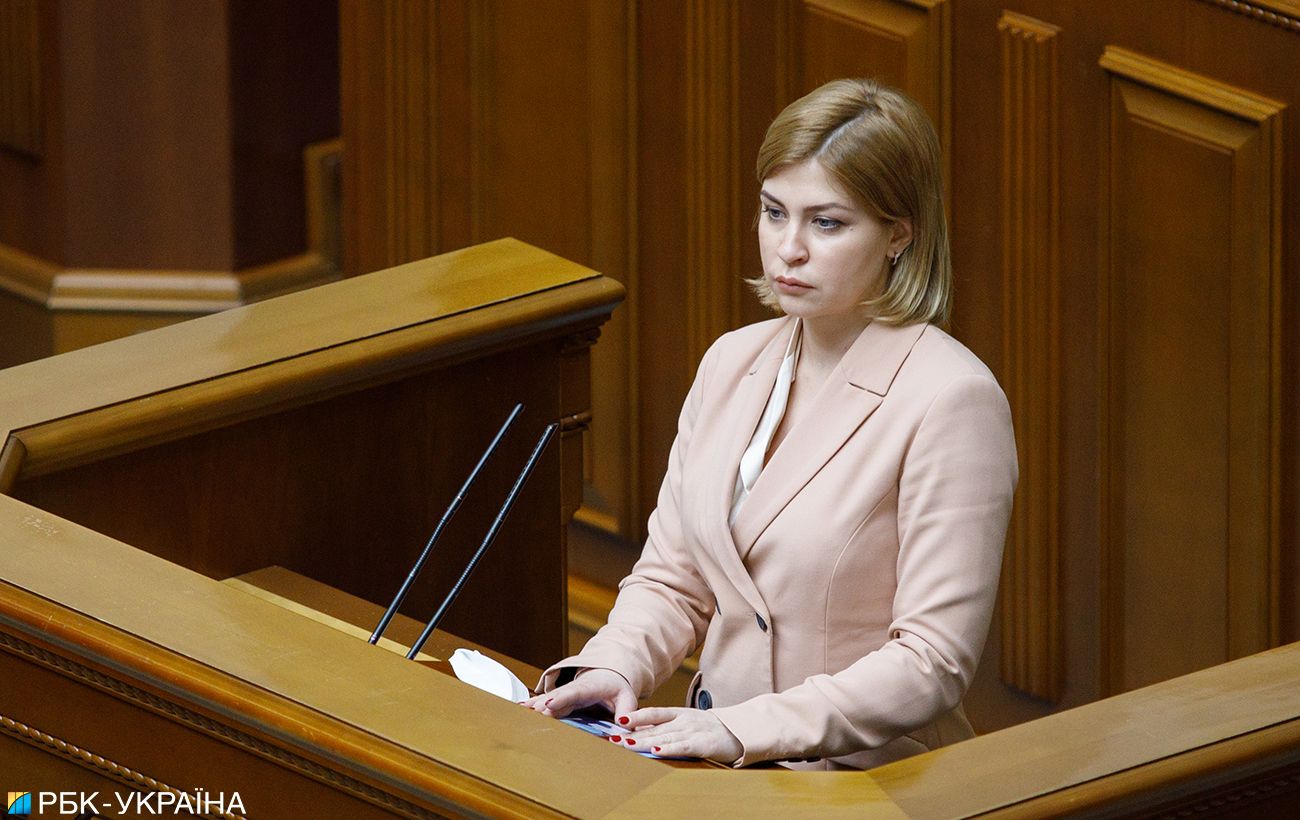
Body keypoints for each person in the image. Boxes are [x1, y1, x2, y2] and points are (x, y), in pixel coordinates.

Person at [523, 78, 1018, 770]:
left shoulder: (953, 400)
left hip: (860, 782)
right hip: (714, 769)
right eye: (774, 212)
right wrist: (613, 664)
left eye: (827, 223)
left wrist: (744, 729)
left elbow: (931, 661)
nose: (789, 248)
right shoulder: (731, 362)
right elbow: (674, 579)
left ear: (899, 234)